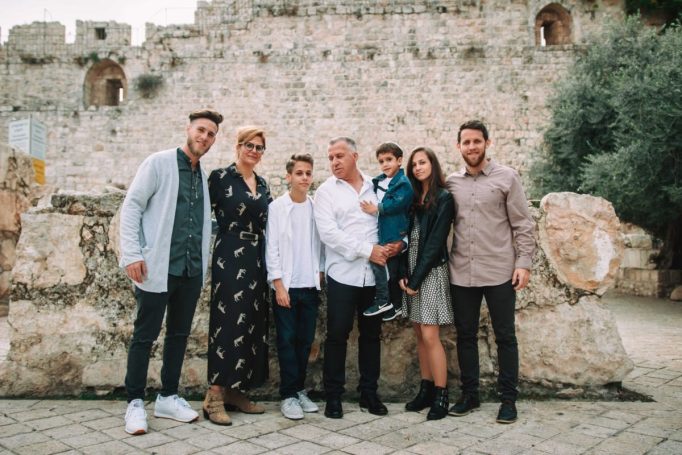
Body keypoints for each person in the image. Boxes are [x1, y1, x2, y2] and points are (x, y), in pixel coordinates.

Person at [118, 109, 223, 435]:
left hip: (190, 270)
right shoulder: (159, 163)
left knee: (178, 336)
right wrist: (132, 254)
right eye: (201, 130)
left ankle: (167, 396)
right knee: (144, 336)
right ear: (188, 129)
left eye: (211, 134)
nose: (204, 137)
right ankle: (135, 403)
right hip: (157, 266)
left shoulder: (201, 176)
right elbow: (132, 206)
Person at [446, 120, 535, 424]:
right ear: (459, 146)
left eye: (477, 141)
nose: (472, 147)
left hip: (500, 271)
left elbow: (523, 224)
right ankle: (470, 395)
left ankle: (508, 400)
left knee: (505, 336)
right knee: (465, 336)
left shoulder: (507, 177)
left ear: (487, 143)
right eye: (466, 142)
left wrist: (523, 262)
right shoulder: (451, 183)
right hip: (461, 272)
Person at [314, 137, 399, 419]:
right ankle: (333, 396)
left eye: (339, 156)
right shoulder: (326, 192)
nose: (334, 162)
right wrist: (367, 250)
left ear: (355, 156)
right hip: (343, 274)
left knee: (372, 336)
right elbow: (329, 234)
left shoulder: (377, 186)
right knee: (337, 336)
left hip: (375, 277)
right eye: (330, 157)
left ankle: (369, 393)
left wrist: (395, 245)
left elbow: (389, 220)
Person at [203, 126, 272, 426]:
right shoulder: (220, 178)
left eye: (259, 147)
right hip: (230, 254)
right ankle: (214, 396)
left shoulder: (263, 184)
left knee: (252, 322)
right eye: (249, 145)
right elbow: (201, 216)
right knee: (228, 321)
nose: (254, 151)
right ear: (238, 146)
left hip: (257, 256)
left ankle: (236, 391)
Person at [266, 154, 324, 420]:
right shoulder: (277, 207)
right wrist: (278, 285)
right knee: (286, 341)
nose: (304, 177)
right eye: (299, 173)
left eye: (308, 173)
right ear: (288, 176)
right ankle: (288, 395)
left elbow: (321, 244)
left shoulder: (315, 207)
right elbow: (272, 248)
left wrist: (320, 272)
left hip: (309, 286)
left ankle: (299, 390)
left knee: (305, 342)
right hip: (286, 286)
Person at [399, 147, 455, 420]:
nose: (418, 167)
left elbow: (434, 243)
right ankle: (426, 389)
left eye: (423, 162)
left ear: (433, 164)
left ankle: (442, 395)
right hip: (411, 272)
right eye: (414, 164)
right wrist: (404, 273)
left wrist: (416, 279)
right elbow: (403, 236)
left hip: (430, 272)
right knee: (419, 334)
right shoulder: (412, 199)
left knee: (431, 335)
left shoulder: (444, 198)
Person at [360, 142, 414, 322]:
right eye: (381, 161)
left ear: (399, 160)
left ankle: (383, 300)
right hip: (387, 230)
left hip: (394, 230)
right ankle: (396, 305)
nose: (385, 164)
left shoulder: (403, 183)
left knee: (378, 261)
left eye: (389, 159)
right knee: (392, 270)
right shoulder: (380, 181)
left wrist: (377, 208)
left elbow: (397, 203)